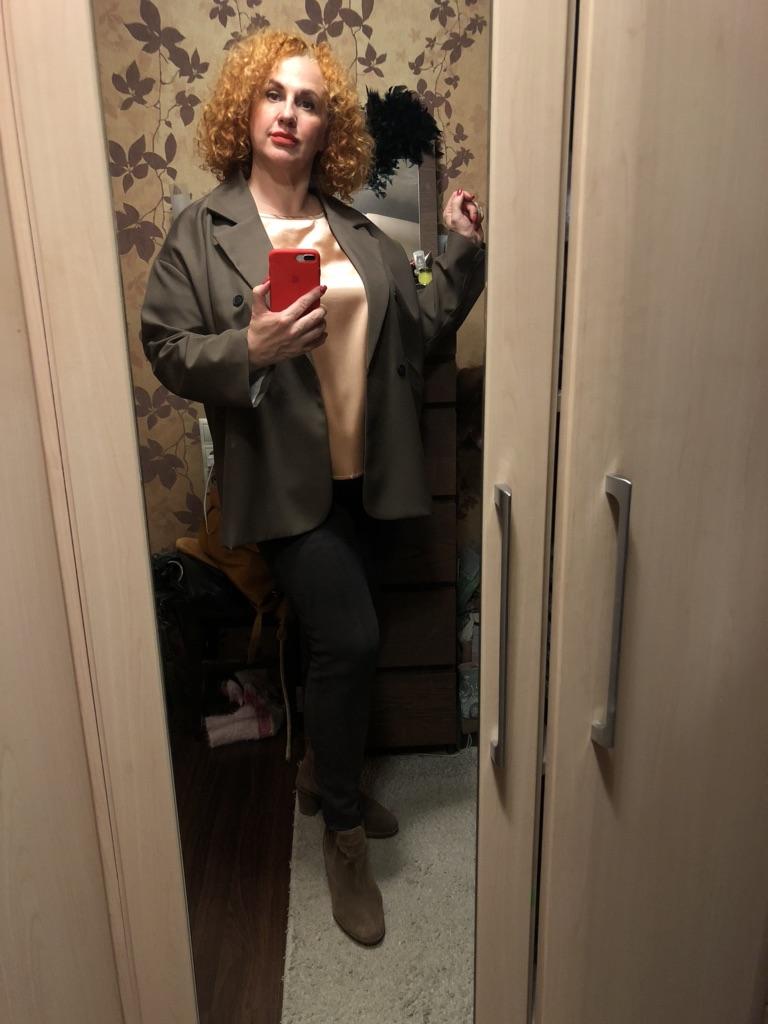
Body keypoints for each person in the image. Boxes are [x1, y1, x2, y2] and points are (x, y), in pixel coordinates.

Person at [141, 28, 485, 947]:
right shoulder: (203, 230)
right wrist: (245, 349)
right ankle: (342, 832)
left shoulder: (358, 231)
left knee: (335, 646)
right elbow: (165, 345)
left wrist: (459, 247)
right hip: (283, 487)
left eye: (310, 101)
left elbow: (424, 320)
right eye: (274, 95)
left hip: (366, 478)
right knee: (354, 639)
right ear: (245, 110)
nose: (290, 113)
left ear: (329, 126)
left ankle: (315, 776)